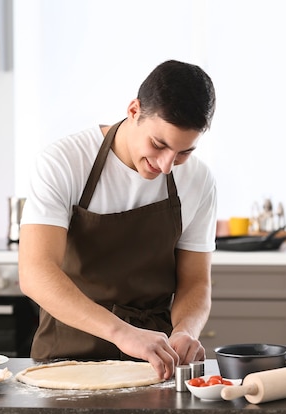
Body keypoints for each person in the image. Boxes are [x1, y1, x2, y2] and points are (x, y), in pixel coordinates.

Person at [18, 59, 217, 380]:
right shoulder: (64, 162)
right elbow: (35, 273)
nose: (167, 165)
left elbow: (195, 281)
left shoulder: (198, 179)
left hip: (154, 362)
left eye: (183, 153)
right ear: (134, 110)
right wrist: (123, 333)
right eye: (159, 144)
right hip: (67, 357)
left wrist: (185, 331)